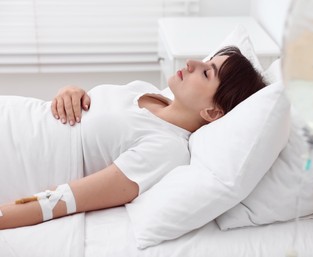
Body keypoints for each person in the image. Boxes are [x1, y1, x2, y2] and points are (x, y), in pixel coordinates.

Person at [0, 46, 266, 230]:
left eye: (207, 72)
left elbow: (62, 201)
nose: (192, 63)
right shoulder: (146, 91)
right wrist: (70, 91)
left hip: (14, 158)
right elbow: (88, 117)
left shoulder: (167, 150)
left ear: (212, 112)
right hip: (14, 114)